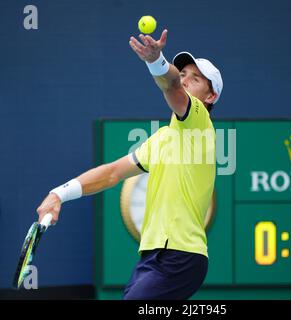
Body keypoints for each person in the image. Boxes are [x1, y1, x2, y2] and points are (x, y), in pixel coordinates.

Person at [36, 29, 223, 300]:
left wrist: (155, 61)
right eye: (183, 74)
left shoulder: (199, 123)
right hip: (153, 257)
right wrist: (58, 194)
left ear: (210, 97)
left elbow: (170, 85)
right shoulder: (162, 139)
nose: (183, 81)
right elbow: (111, 173)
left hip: (181, 256)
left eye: (194, 80)